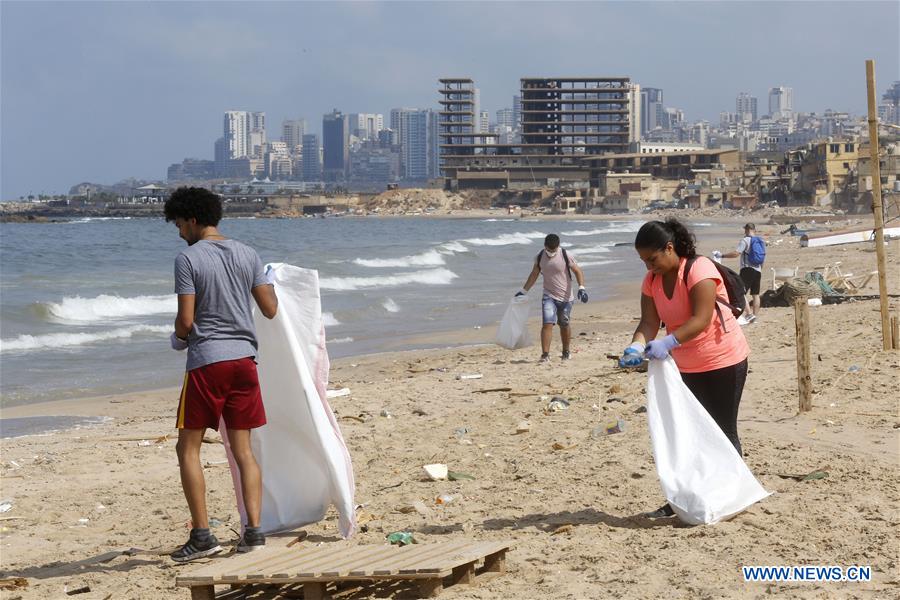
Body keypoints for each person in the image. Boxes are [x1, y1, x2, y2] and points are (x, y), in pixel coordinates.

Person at [164, 187, 278, 562]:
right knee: (243, 450)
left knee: (188, 448)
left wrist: (178, 338)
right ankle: (254, 533)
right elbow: (270, 309)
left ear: (193, 220)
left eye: (179, 224)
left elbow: (186, 319)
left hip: (208, 363)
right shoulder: (249, 253)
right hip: (245, 362)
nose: (179, 231)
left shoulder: (188, 259)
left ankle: (201, 536)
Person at [619, 219, 750, 518]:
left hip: (722, 359)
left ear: (669, 248)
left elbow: (702, 319)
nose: (648, 267)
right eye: (643, 261)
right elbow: (649, 322)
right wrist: (636, 346)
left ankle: (731, 496)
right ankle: (685, 497)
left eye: (652, 259)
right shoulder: (651, 281)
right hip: (686, 364)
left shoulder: (699, 269)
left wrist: (668, 342)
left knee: (721, 429)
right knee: (690, 432)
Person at [516, 233, 588, 362]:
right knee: (547, 324)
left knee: (564, 324)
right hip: (548, 295)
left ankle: (566, 351)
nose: (551, 252)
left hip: (566, 297)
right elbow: (534, 274)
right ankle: (545, 354)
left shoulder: (566, 255)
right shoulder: (539, 257)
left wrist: (581, 287)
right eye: (549, 250)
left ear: (558, 247)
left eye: (553, 250)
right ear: (545, 246)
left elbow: (577, 271)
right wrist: (523, 291)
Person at [721, 223, 764, 322]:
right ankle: (754, 316)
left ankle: (749, 314)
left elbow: (736, 253)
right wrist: (760, 268)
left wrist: (722, 256)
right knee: (755, 294)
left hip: (747, 269)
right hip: (758, 270)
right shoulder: (760, 241)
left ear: (746, 230)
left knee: (740, 291)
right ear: (754, 230)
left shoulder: (745, 240)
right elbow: (762, 258)